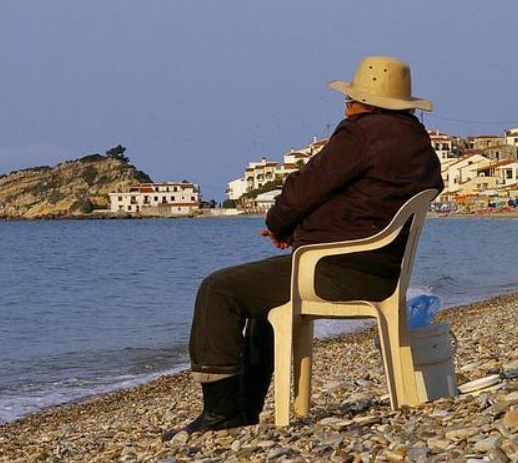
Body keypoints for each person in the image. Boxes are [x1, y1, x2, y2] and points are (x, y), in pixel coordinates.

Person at [166, 55, 444, 439]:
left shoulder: (361, 134)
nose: (345, 108)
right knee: (262, 300)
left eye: (350, 101)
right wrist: (298, 236)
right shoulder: (418, 144)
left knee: (219, 289)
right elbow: (362, 206)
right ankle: (242, 409)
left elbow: (305, 188)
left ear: (362, 103)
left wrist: (279, 225)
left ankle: (220, 412)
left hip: (338, 271)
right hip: (381, 272)